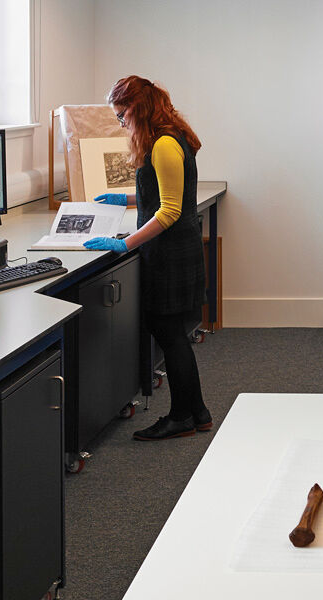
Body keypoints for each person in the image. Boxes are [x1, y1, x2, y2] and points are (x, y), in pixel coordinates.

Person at [83, 76, 210, 441]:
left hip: (171, 254)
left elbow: (169, 210)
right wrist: (126, 200)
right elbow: (165, 194)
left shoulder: (165, 145)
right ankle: (196, 412)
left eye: (123, 116)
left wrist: (126, 244)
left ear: (138, 109)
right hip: (172, 249)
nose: (122, 123)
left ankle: (183, 416)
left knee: (170, 336)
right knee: (173, 336)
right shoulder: (167, 138)